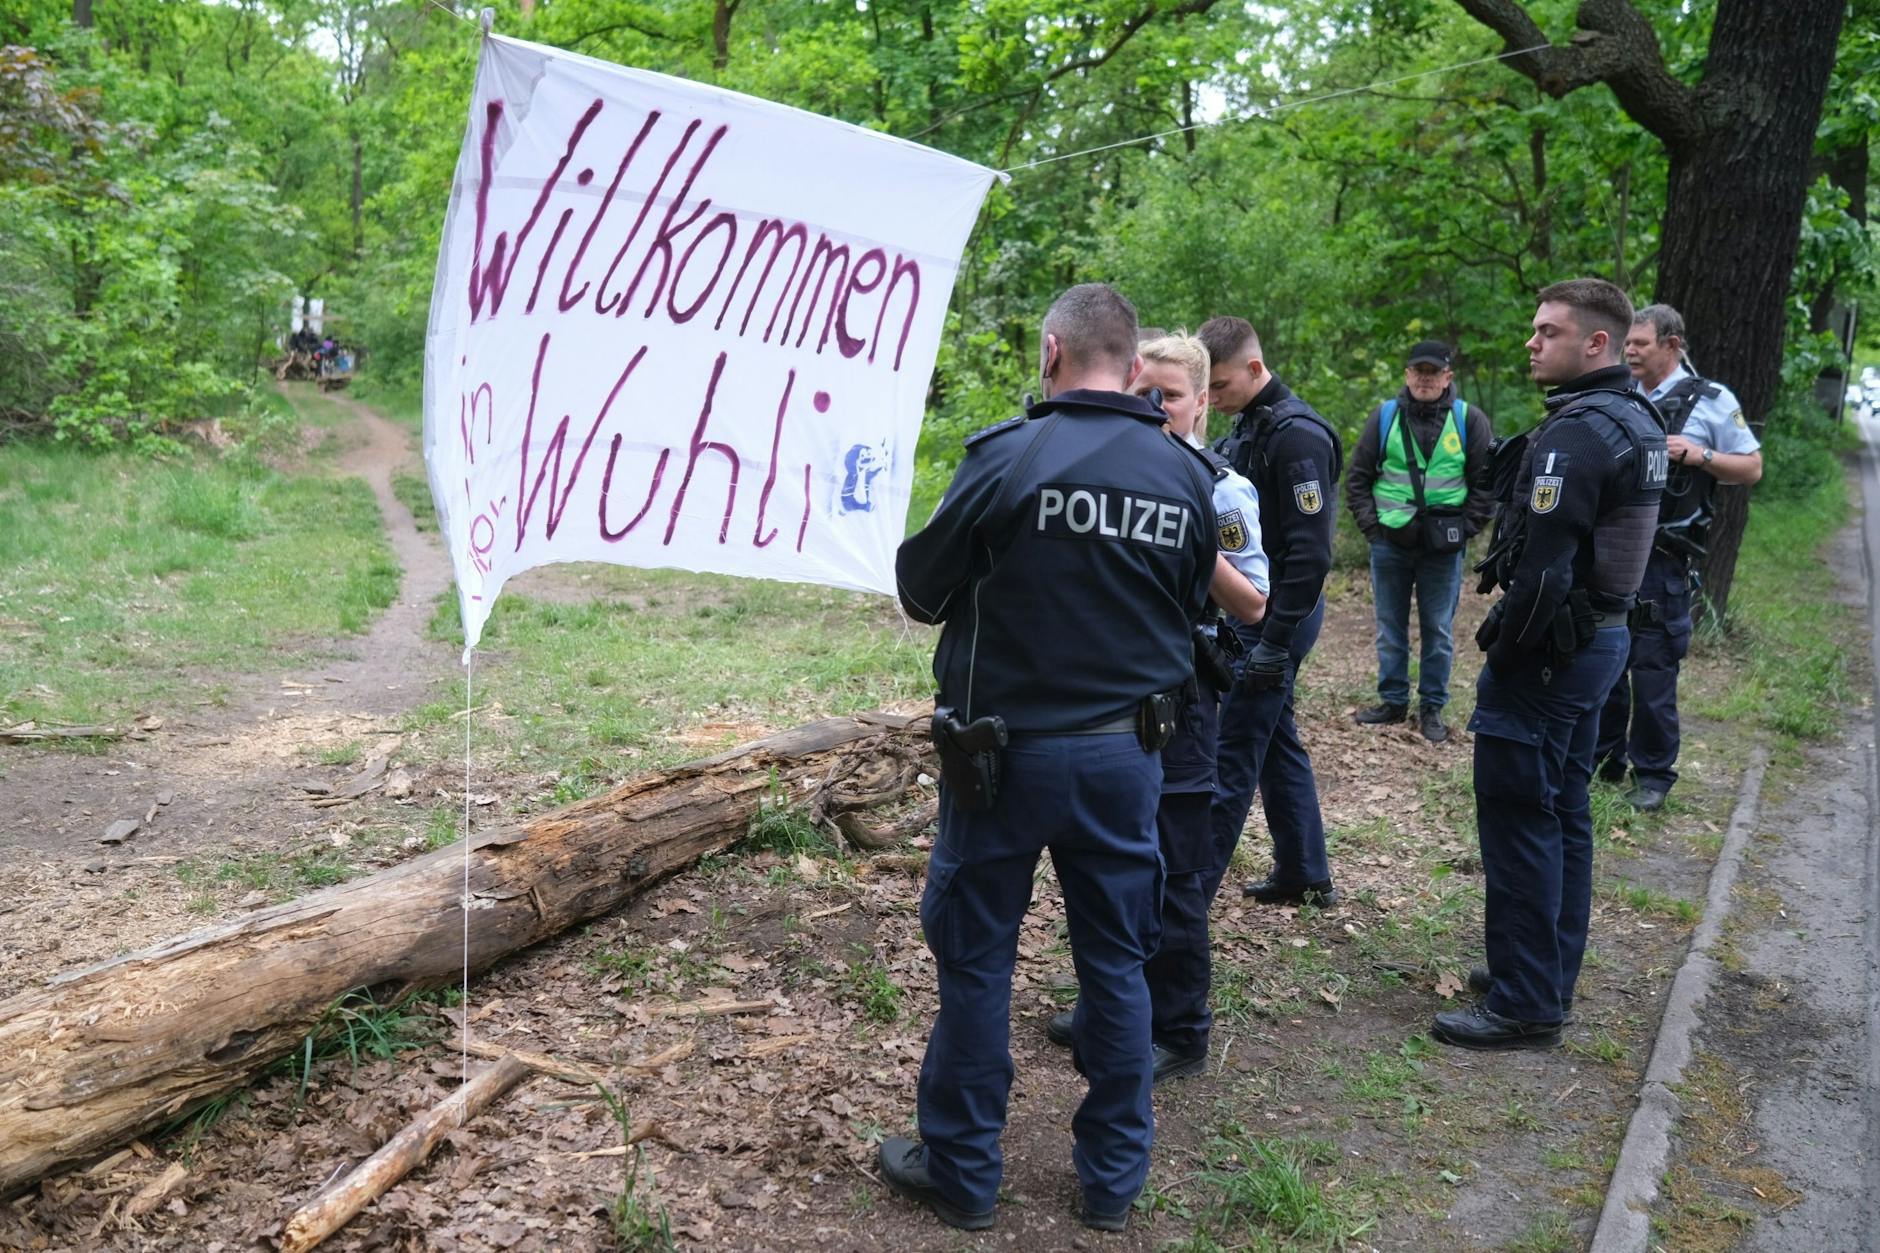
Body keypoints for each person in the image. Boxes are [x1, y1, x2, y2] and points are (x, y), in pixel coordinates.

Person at [883, 284, 1218, 1233]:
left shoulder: (1009, 454)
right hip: (1124, 762)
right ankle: (1113, 1179)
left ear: (1051, 353)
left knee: (978, 961)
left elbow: (921, 587)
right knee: (1116, 962)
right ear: (1130, 361)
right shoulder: (1185, 472)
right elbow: (1189, 603)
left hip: (1003, 765)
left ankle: (964, 1171)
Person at [1434, 278, 1667, 1051]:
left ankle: (1525, 1002)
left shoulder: (1581, 433)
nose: (1531, 342)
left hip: (1553, 659)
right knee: (1563, 809)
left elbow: (1542, 573)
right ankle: (1541, 970)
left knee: (1520, 817)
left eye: (1547, 331)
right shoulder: (1636, 415)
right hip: (1601, 643)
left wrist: (1505, 651)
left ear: (1595, 343)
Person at [1043, 331, 1270, 1083]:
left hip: (1184, 702)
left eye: (1169, 396)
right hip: (1111, 698)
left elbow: (1255, 604)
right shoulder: (1112, 471)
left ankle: (1179, 1025)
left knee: (1174, 871)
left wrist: (1190, 537)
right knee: (1110, 865)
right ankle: (1112, 1006)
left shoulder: (1220, 487)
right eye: (1146, 394)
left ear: (1202, 401)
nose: (1155, 408)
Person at [1197, 316, 1341, 907]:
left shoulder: (1298, 435)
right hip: (1253, 613)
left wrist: (1276, 641)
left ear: (1255, 369)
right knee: (1274, 738)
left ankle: (1186, 899)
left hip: (1278, 615)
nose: (1215, 398)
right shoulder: (1250, 424)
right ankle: (1304, 870)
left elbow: (1310, 554)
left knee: (1231, 753)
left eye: (1222, 385)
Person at [1594, 305, 1763, 811]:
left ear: (1672, 344)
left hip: (1665, 560)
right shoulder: (1621, 394)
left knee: (1652, 667)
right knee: (1605, 658)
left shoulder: (1712, 402)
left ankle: (1652, 776)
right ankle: (1603, 762)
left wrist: (1698, 455)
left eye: (1640, 344)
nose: (1630, 352)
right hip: (1614, 551)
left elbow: (1751, 467)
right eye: (1628, 345)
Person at [1344, 341, 1495, 742]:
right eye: (1418, 371)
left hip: (1443, 549)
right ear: (1407, 375)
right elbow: (1357, 479)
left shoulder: (1469, 420)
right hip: (1390, 543)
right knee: (1389, 628)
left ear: (1448, 377)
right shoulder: (1385, 417)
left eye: (1434, 372)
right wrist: (1373, 531)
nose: (1425, 379)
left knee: (1438, 631)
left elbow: (1487, 484)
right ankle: (1393, 701)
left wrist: (1465, 530)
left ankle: (1432, 707)